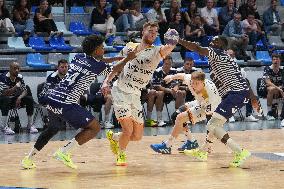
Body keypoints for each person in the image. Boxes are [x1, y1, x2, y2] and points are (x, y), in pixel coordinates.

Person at [20, 35, 130, 170]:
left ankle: (28, 159)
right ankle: (64, 152)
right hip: (66, 102)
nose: (104, 50)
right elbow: (116, 68)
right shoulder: (98, 66)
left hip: (53, 98)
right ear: (96, 50)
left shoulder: (78, 57)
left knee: (52, 129)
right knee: (94, 127)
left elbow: (100, 60)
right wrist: (128, 58)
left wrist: (116, 58)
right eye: (102, 48)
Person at [102, 22, 178, 166]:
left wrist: (173, 39)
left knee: (137, 136)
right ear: (143, 31)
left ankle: (115, 137)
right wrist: (106, 81)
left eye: (156, 32)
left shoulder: (157, 51)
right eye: (150, 30)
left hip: (136, 94)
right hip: (121, 91)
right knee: (128, 129)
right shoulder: (130, 47)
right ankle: (121, 154)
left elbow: (169, 48)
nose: (153, 34)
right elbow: (117, 67)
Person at [178, 35, 260, 167]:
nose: (212, 41)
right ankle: (203, 151)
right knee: (215, 125)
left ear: (221, 46)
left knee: (212, 125)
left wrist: (179, 40)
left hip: (235, 94)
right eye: (212, 40)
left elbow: (197, 48)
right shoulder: (223, 58)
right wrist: (252, 97)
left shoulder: (217, 53)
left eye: (216, 41)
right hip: (236, 94)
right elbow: (242, 79)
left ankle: (240, 151)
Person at [150, 71, 221, 154]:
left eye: (196, 84)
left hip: (209, 108)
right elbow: (182, 76)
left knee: (180, 118)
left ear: (203, 82)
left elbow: (211, 122)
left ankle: (167, 145)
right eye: (192, 82)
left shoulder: (210, 95)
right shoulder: (191, 79)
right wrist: (171, 77)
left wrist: (208, 144)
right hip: (200, 102)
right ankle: (191, 142)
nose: (193, 85)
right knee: (175, 116)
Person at [0, 62, 37, 135]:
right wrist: (16, 87)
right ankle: (4, 127)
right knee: (6, 99)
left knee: (29, 99)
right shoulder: (3, 77)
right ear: (10, 69)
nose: (17, 70)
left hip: (14, 99)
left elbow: (25, 91)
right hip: (2, 99)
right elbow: (5, 93)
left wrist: (19, 98)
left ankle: (30, 125)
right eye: (14, 68)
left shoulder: (19, 77)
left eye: (18, 68)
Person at [263, 54, 284, 123]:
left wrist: (280, 88)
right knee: (272, 89)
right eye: (274, 59)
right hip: (268, 88)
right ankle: (269, 113)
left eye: (277, 59)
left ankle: (282, 115)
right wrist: (278, 88)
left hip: (280, 88)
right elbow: (267, 82)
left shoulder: (282, 69)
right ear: (272, 61)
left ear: (280, 60)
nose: (275, 61)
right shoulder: (267, 68)